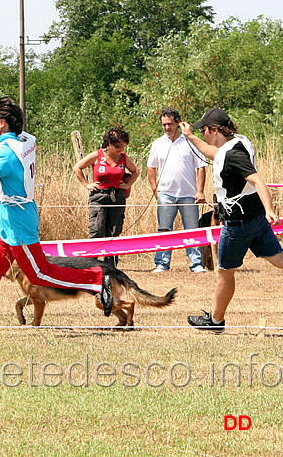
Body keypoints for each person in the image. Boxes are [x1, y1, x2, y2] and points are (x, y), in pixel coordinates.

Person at [0, 96, 110, 333]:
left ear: (3, 123)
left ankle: (97, 281)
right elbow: (8, 165)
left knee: (39, 274)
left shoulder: (3, 151)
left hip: (18, 223)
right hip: (9, 221)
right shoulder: (24, 142)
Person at [180, 108, 283, 332]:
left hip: (238, 225)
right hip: (255, 219)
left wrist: (270, 209)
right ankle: (216, 320)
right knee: (277, 258)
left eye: (205, 130)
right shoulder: (238, 143)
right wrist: (190, 135)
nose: (204, 134)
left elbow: (257, 181)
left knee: (224, 272)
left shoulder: (233, 156)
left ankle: (215, 322)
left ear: (215, 130)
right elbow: (211, 151)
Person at [147, 107, 208, 274]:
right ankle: (162, 263)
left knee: (192, 229)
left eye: (170, 124)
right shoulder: (158, 144)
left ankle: (196, 264)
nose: (167, 128)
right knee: (164, 229)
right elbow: (151, 168)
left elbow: (201, 167)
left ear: (178, 123)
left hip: (189, 194)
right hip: (166, 194)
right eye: (164, 125)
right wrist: (154, 188)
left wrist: (200, 191)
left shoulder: (190, 142)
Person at [73, 126, 139, 267]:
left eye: (123, 145)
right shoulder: (97, 155)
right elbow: (77, 167)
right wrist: (86, 184)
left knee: (114, 231)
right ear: (109, 143)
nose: (121, 149)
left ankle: (111, 265)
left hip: (117, 196)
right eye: (118, 146)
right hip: (99, 196)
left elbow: (135, 171)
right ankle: (90, 263)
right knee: (97, 229)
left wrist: (128, 185)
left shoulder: (123, 158)